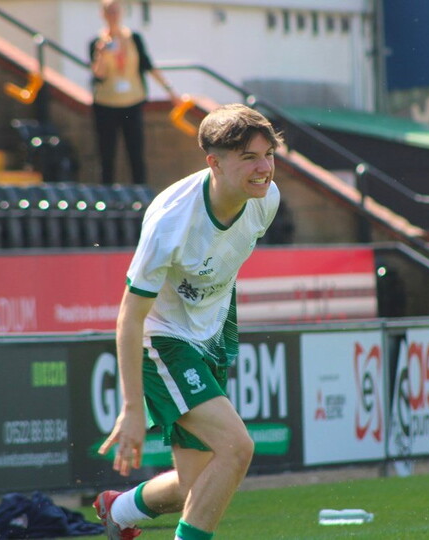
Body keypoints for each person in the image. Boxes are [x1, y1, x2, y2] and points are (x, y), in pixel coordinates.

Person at [95, 103, 282, 540]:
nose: (264, 169)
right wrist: (132, 408)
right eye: (249, 158)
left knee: (195, 486)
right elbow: (130, 316)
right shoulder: (171, 222)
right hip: (163, 340)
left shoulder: (266, 200)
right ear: (214, 162)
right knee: (236, 448)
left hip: (212, 335)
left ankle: (118, 510)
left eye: (269, 155)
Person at [89, 0, 177, 185]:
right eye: (109, 11)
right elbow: (98, 75)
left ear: (121, 12)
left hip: (132, 101)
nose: (113, 15)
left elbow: (147, 65)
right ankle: (107, 193)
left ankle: (140, 191)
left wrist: (170, 90)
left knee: (136, 152)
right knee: (107, 153)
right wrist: (100, 54)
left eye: (115, 11)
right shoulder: (96, 42)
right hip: (106, 103)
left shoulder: (134, 38)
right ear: (102, 14)